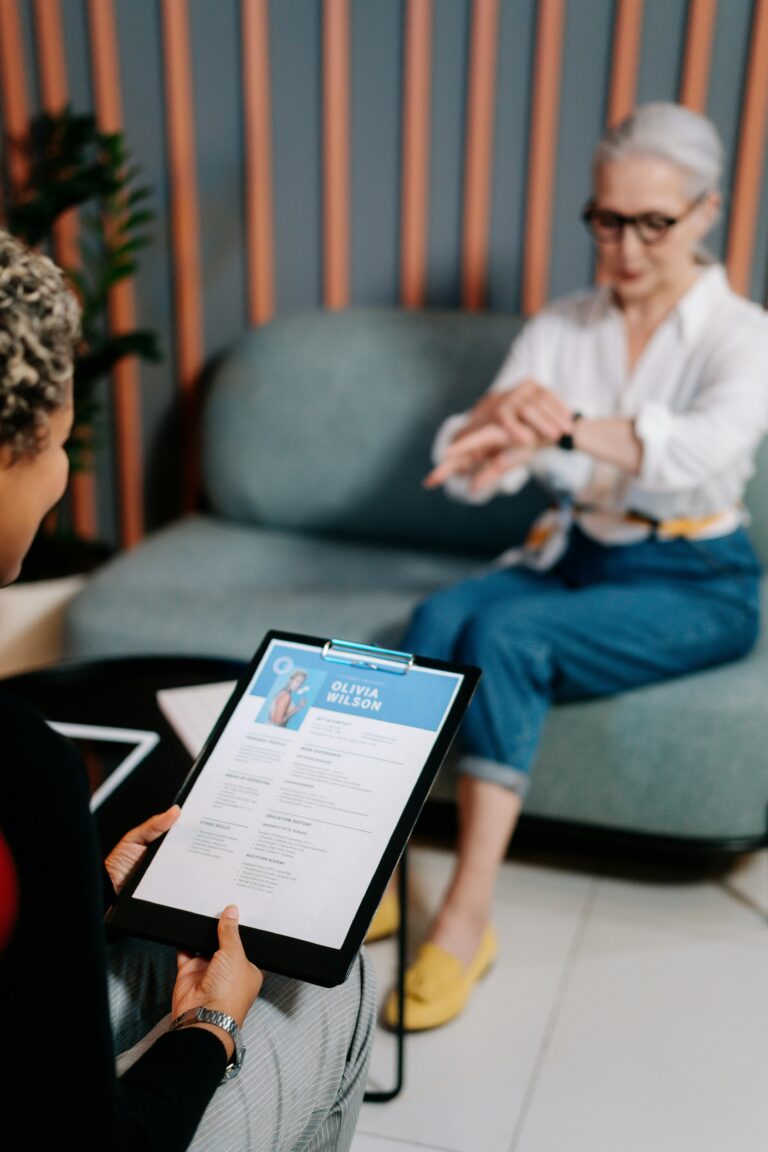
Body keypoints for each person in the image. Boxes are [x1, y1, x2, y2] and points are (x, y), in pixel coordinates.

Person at [378, 101, 768, 1033]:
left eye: (653, 223)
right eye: (606, 219)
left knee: (506, 637)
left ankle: (467, 922)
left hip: (698, 578)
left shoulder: (743, 334)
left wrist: (550, 424)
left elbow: (691, 457)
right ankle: (373, 874)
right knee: (436, 620)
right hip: (576, 552)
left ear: (706, 214)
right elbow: (482, 454)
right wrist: (486, 439)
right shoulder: (565, 323)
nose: (626, 247)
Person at [0, 228, 376, 1148]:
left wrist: (75, 891)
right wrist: (213, 1025)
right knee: (323, 979)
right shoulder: (18, 768)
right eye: (57, 442)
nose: (60, 476)